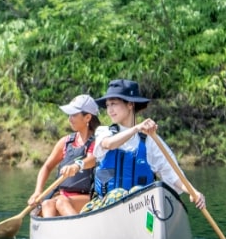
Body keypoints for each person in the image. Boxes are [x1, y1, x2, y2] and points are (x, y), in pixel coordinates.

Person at [89, 79, 206, 210]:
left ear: (130, 104)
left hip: (141, 207)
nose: (110, 110)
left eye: (114, 104)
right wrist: (136, 128)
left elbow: (172, 173)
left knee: (140, 192)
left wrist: (193, 192)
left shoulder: (150, 140)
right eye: (107, 105)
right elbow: (109, 144)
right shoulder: (104, 132)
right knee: (118, 194)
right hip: (106, 205)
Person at [29, 93, 101, 217]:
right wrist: (37, 191)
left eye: (74, 115)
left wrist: (76, 166)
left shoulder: (97, 141)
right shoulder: (65, 142)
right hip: (62, 196)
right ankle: (51, 229)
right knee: (47, 204)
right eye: (69, 115)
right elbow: (47, 167)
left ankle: (78, 225)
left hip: (87, 197)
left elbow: (91, 159)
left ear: (87, 117)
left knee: (61, 202)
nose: (70, 119)